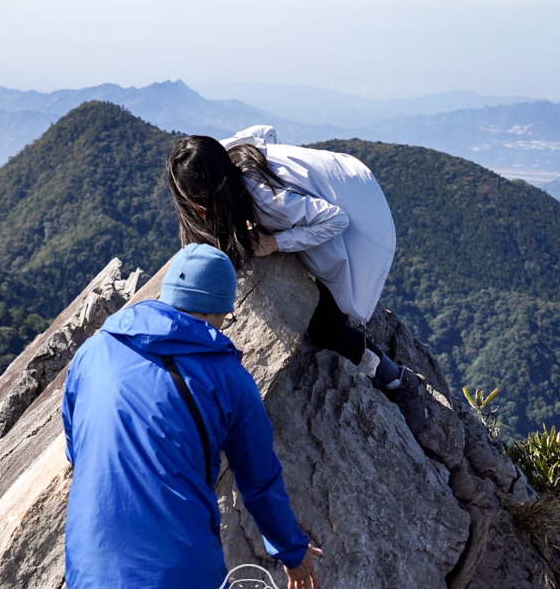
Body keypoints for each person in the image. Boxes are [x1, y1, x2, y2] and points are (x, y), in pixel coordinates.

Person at [63, 243, 321, 589]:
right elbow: (259, 482)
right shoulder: (229, 378)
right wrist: (293, 553)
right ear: (219, 310)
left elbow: (76, 448)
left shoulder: (93, 352)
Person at [165, 125, 427, 432]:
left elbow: (336, 219)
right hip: (355, 183)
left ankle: (398, 379)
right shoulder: (226, 155)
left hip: (364, 228)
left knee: (325, 329)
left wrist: (276, 242)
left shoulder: (264, 197)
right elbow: (267, 131)